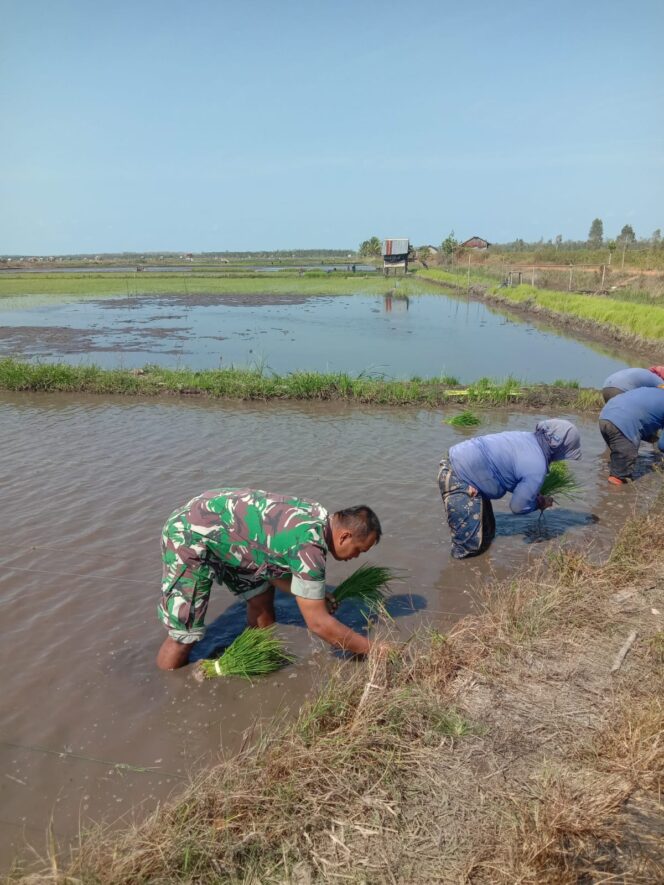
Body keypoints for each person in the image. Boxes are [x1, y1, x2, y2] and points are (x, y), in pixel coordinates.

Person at [156, 488, 382, 669]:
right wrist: (376, 650)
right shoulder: (309, 547)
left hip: (232, 538)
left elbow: (272, 570)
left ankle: (251, 656)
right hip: (189, 535)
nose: (356, 557)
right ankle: (169, 686)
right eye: (359, 550)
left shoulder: (318, 516)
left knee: (262, 599)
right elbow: (319, 624)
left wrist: (316, 594)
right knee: (184, 635)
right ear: (344, 536)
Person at [438, 419, 582, 559]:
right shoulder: (537, 466)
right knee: (468, 548)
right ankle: (457, 578)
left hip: (459, 464)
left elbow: (509, 473)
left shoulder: (526, 438)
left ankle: (479, 571)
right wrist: (540, 503)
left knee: (487, 533)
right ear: (561, 447)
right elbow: (517, 507)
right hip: (458, 476)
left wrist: (534, 495)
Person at [598, 387, 664, 484]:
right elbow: (662, 445)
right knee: (619, 476)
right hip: (623, 423)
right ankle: (614, 495)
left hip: (605, 417)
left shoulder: (652, 391)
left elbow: (645, 417)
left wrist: (652, 438)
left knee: (619, 458)